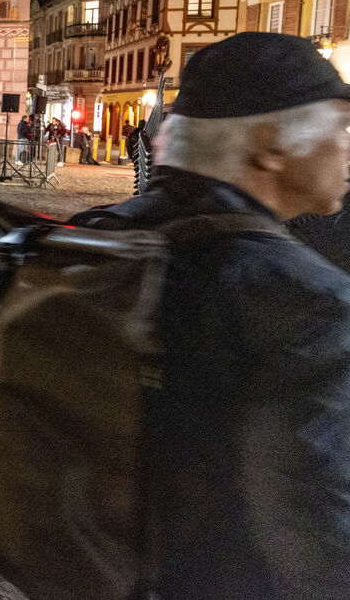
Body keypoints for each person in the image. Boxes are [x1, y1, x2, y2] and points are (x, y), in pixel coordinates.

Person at [71, 32, 350, 597]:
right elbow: (318, 536)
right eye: (341, 126)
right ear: (269, 145)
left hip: (97, 567)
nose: (349, 147)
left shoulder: (98, 233)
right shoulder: (306, 302)